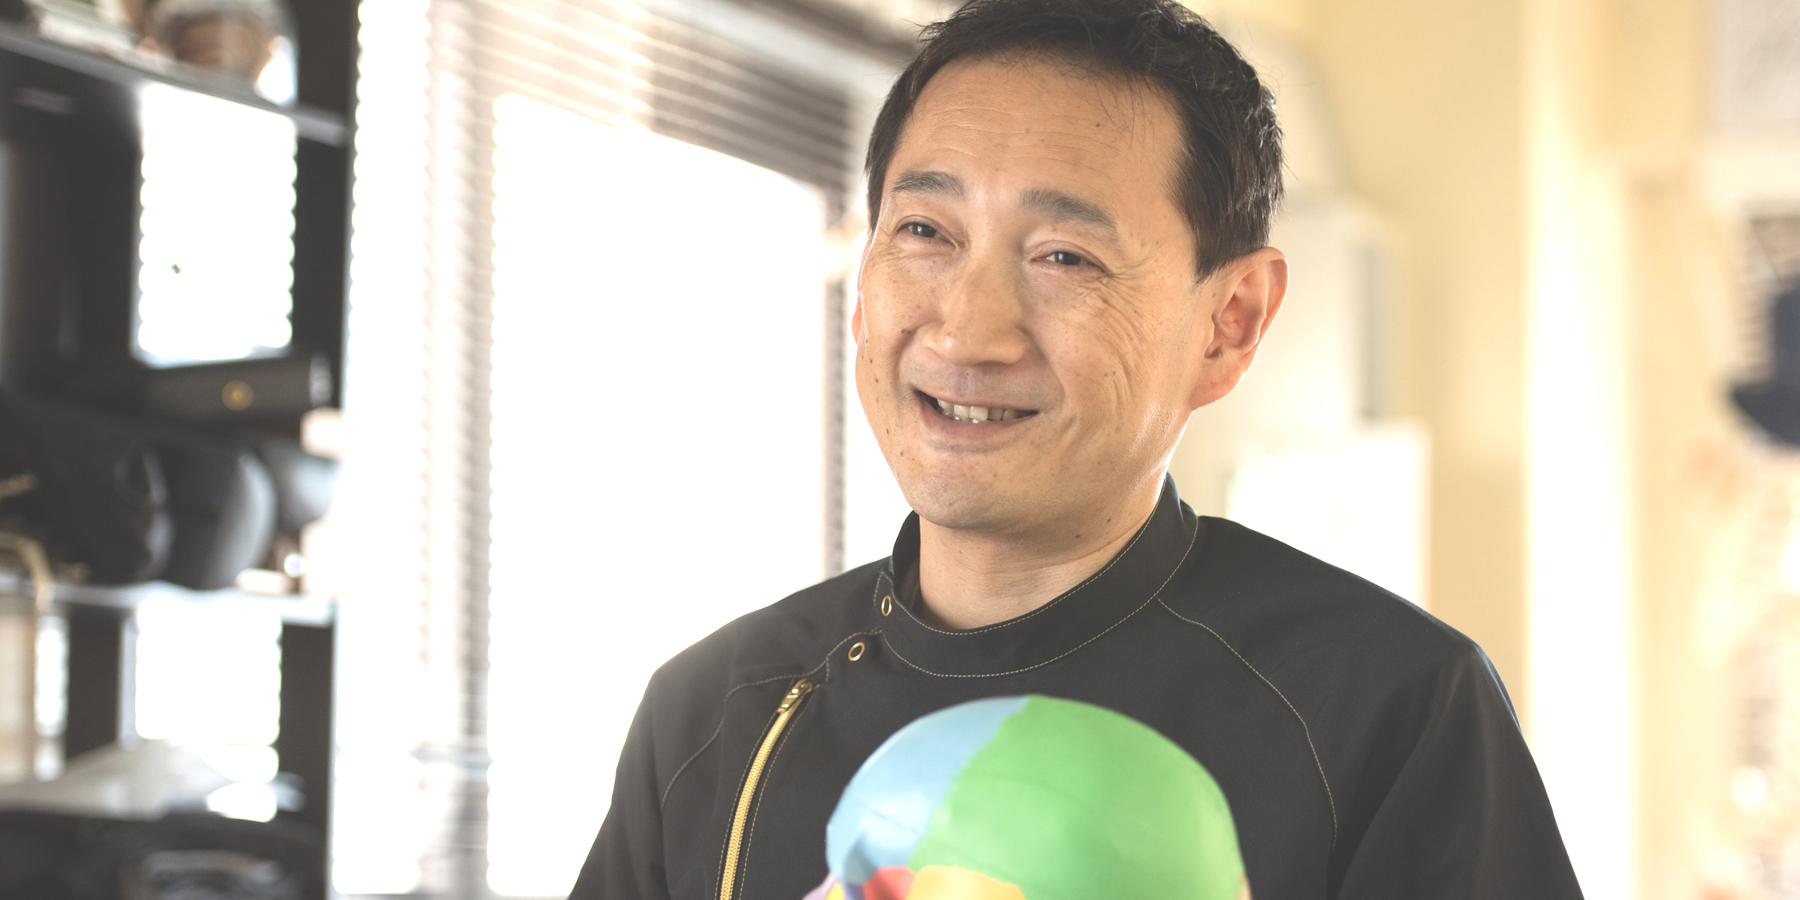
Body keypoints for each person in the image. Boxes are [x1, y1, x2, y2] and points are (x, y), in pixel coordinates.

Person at [572, 0, 1583, 897]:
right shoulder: (718, 713)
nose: (968, 330)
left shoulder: (1386, 709)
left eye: (1064, 256)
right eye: (924, 232)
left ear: (1229, 322)